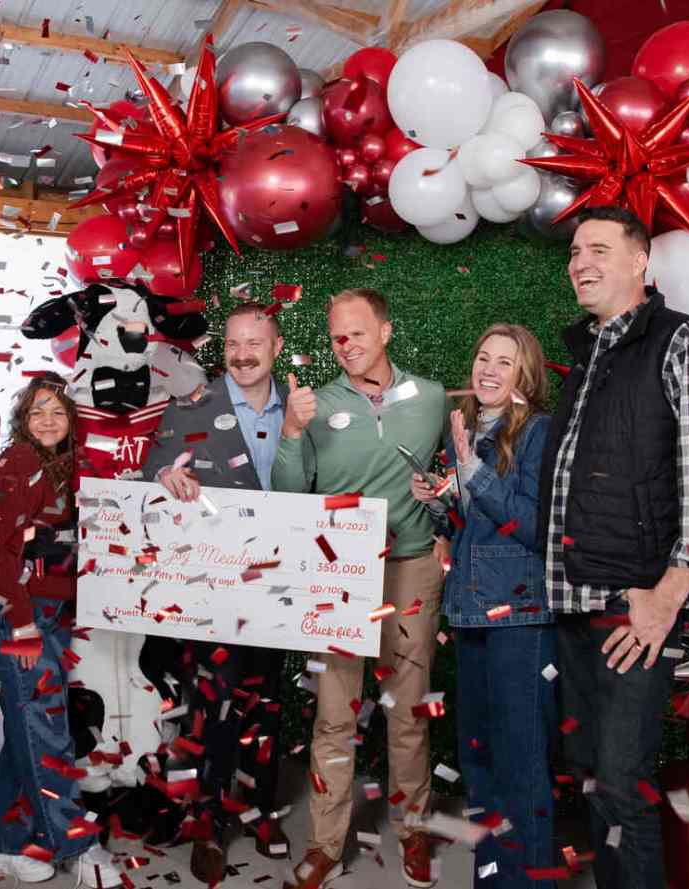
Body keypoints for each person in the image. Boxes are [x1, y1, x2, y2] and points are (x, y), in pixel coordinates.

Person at [539, 206, 689, 889]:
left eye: (598, 248)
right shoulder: (588, 354)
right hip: (577, 600)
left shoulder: (682, 341)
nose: (580, 262)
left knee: (622, 780)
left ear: (640, 261)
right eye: (573, 252)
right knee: (594, 774)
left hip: (635, 609)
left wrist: (668, 594)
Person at [273, 288, 450, 889]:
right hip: (339, 574)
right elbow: (289, 494)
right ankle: (325, 844)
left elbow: (451, 472)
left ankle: (415, 833)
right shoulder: (315, 405)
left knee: (407, 715)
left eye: (356, 333)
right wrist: (293, 433)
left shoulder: (428, 397)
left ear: (386, 330)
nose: (346, 345)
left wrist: (444, 519)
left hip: (411, 568)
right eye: (336, 337)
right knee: (333, 719)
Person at [141, 302, 291, 884]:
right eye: (233, 343)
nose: (243, 353)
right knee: (212, 705)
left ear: (276, 347)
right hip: (210, 591)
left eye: (255, 343)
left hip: (281, 589)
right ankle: (206, 821)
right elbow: (155, 459)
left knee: (267, 702)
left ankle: (259, 811)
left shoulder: (302, 409)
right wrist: (163, 474)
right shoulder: (193, 406)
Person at [409, 324, 557, 889]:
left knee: (521, 763)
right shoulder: (462, 432)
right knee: (477, 758)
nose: (489, 370)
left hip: (521, 616)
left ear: (525, 376)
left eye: (505, 362)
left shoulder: (541, 432)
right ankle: (494, 880)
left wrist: (473, 476)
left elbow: (536, 528)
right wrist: (438, 501)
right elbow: (469, 531)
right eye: (483, 357)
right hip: (470, 610)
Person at [0, 373, 108, 885]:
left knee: (27, 728)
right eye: (37, 413)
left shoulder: (67, 463)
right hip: (12, 615)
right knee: (46, 726)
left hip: (50, 613)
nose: (48, 421)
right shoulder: (17, 463)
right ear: (22, 422)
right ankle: (72, 842)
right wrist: (24, 625)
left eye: (57, 411)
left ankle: (3, 843)